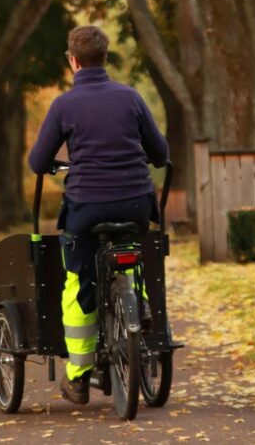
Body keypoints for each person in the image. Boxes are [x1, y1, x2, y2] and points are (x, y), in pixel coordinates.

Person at [28, 25, 169, 404]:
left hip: (88, 207)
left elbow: (38, 161)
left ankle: (78, 376)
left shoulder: (64, 105)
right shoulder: (131, 98)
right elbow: (160, 153)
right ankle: (136, 306)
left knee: (78, 278)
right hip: (136, 202)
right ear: (105, 58)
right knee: (129, 261)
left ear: (73, 61)